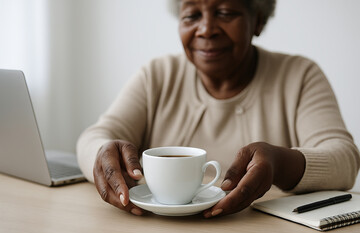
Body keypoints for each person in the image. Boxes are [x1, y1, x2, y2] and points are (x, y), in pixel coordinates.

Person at [76, 0, 360, 218]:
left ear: (258, 20)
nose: (206, 29)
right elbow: (96, 136)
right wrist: (103, 154)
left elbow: (344, 160)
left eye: (225, 12)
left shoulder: (300, 75)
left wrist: (279, 163)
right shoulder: (157, 75)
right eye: (192, 15)